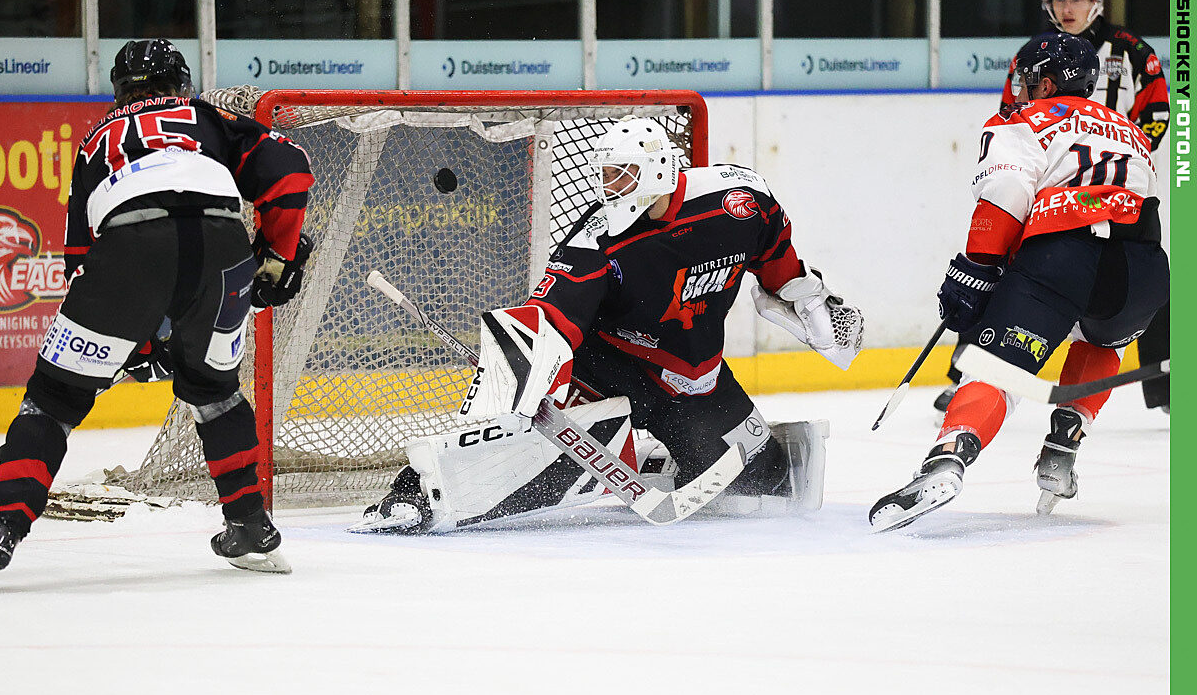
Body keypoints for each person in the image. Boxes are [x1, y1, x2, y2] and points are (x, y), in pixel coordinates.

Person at [353, 118, 864, 533]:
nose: (610, 187)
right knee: (543, 447)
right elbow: (551, 315)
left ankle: (653, 458)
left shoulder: (739, 203)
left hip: (693, 378)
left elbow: (780, 266)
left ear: (659, 170)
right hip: (609, 367)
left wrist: (815, 310)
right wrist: (526, 372)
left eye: (623, 174)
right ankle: (415, 492)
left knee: (766, 484)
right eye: (607, 175)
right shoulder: (598, 238)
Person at [0, 39, 314, 572]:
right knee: (216, 393)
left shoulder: (96, 140)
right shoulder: (208, 118)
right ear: (181, 84)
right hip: (223, 248)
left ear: (120, 91)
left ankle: (3, 523)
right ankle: (249, 524)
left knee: (53, 401)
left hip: (129, 246)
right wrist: (277, 258)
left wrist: (137, 339)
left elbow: (82, 260)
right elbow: (292, 172)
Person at [871, 33, 1168, 532]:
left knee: (999, 368)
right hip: (1144, 272)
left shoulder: (1023, 120)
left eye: (1028, 80)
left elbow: (1007, 193)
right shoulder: (1129, 131)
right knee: (1101, 338)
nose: (1021, 89)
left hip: (1062, 259)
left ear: (1046, 83)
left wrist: (977, 270)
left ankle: (948, 459)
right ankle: (1063, 444)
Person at [936, 0, 1170, 414]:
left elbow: (1157, 112)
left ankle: (1167, 388)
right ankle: (969, 372)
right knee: (1000, 262)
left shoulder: (1132, 51)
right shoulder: (1036, 54)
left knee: (1142, 271)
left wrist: (1121, 152)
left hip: (1116, 187)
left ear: (1096, 0)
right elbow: (1013, 115)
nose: (1068, 8)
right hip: (1055, 190)